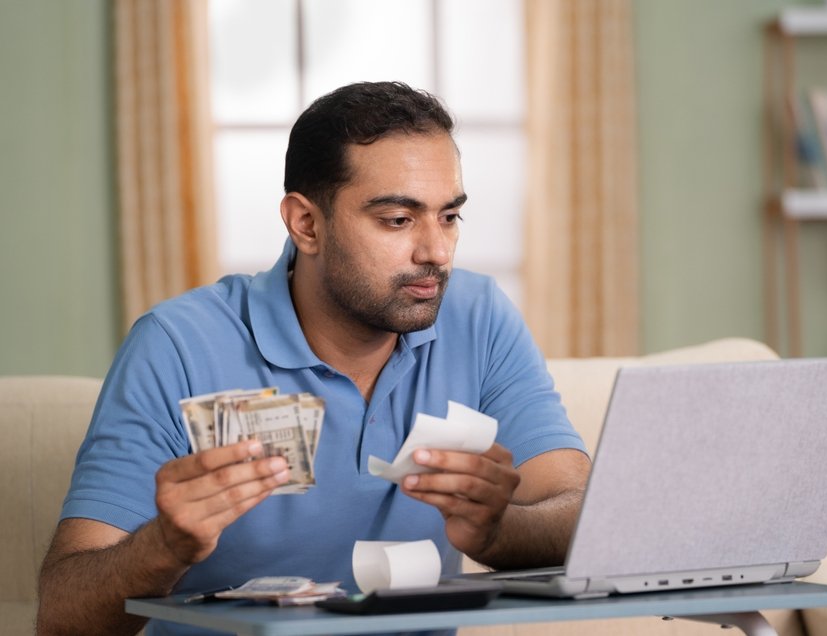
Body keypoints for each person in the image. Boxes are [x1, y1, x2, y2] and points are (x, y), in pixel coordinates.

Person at [36, 81, 591, 636]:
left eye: (448, 217)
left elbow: (581, 512)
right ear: (306, 224)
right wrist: (163, 547)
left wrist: (498, 532)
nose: (436, 253)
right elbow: (61, 615)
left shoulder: (479, 317)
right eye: (398, 219)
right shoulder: (178, 344)